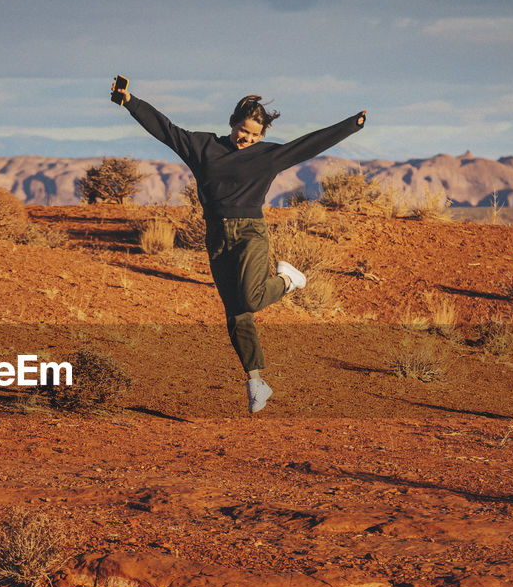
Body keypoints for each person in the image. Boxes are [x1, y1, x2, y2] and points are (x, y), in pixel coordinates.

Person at [111, 78, 366, 413]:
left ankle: (289, 280)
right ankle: (256, 381)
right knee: (237, 314)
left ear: (261, 136)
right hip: (216, 236)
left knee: (250, 297)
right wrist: (130, 101)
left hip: (249, 233)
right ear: (233, 123)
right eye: (243, 131)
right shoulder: (203, 147)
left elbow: (308, 145)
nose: (246, 139)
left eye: (254, 135)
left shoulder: (267, 155)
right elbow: (166, 130)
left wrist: (351, 125)